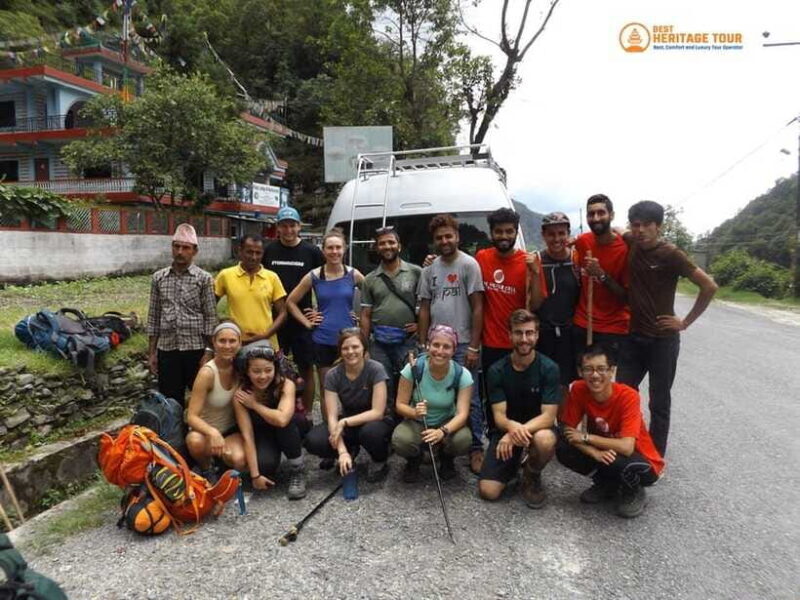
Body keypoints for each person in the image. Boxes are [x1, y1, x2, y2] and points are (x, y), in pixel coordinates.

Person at [616, 201, 718, 456]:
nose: (639, 230)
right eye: (635, 225)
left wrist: (684, 322)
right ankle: (624, 446)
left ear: (658, 227)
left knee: (659, 401)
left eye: (646, 225)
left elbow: (709, 286)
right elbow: (617, 230)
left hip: (663, 341)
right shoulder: (633, 242)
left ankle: (655, 455)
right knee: (622, 394)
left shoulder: (671, 254)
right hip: (634, 338)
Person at [557, 344, 665, 518]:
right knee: (562, 446)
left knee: (616, 459)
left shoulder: (628, 396)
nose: (595, 375)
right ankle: (607, 483)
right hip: (606, 451)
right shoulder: (578, 389)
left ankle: (633, 490)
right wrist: (593, 452)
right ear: (580, 371)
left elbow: (627, 447)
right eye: (588, 369)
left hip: (641, 460)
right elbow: (568, 430)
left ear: (612, 370)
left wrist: (585, 437)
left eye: (601, 369)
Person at [417, 214, 485, 475]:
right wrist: (423, 343)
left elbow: (478, 307)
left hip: (463, 343)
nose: (444, 241)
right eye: (439, 238)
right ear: (433, 241)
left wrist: (473, 346)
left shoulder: (469, 265)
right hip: (435, 346)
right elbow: (424, 307)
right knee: (432, 396)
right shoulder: (429, 270)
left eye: (449, 236)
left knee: (471, 399)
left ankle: (476, 447)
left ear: (457, 236)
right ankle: (434, 445)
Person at [478, 310, 559, 508]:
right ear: (510, 335)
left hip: (538, 430)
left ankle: (531, 473)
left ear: (537, 335)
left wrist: (515, 433)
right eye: (518, 333)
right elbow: (499, 417)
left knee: (545, 440)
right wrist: (511, 431)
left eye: (529, 333)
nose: (524, 339)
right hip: (506, 430)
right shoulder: (497, 370)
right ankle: (514, 463)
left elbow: (548, 417)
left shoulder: (549, 368)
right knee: (488, 491)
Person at [303, 329, 393, 482]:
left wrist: (343, 422)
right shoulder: (333, 374)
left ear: (364, 348)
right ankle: (349, 450)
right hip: (348, 419)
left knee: (371, 433)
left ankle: (379, 460)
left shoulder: (376, 369)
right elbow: (331, 416)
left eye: (355, 347)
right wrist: (341, 451)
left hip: (374, 421)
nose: (350, 352)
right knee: (313, 440)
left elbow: (377, 412)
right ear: (340, 351)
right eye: (345, 348)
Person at [286, 229, 365, 404]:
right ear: (323, 250)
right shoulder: (314, 275)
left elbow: (373, 296)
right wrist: (307, 322)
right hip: (323, 339)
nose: (334, 252)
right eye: (330, 248)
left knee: (352, 387)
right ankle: (329, 427)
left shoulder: (353, 274)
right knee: (326, 390)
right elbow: (290, 302)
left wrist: (360, 315)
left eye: (338, 247)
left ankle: (349, 425)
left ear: (344, 249)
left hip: (349, 339)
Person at [262, 206, 324, 415]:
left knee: (306, 368)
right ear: (277, 228)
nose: (288, 230)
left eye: (292, 225)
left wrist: (320, 310)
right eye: (284, 226)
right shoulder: (269, 251)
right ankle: (277, 411)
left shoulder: (312, 252)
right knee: (272, 368)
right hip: (275, 320)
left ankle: (305, 414)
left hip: (301, 319)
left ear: (299, 227)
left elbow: (324, 282)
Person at [146, 223, 217, 407]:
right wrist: (152, 352)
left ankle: (197, 435)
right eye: (176, 246)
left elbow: (210, 317)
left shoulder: (204, 279)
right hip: (168, 349)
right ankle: (174, 435)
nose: (180, 252)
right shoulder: (159, 278)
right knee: (170, 402)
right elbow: (154, 316)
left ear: (194, 251)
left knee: (201, 401)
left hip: (196, 349)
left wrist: (209, 352)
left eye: (185, 248)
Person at [392, 325, 472, 482]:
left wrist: (442, 431)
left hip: (446, 421)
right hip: (418, 422)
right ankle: (415, 459)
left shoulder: (462, 374)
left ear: (454, 350)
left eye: (446, 347)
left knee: (463, 439)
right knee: (401, 440)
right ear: (428, 346)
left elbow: (462, 414)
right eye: (436, 345)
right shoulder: (413, 368)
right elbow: (400, 405)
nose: (440, 351)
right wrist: (414, 412)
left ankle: (446, 458)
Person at [360, 226, 422, 412]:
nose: (387, 246)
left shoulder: (416, 272)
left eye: (391, 242)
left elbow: (426, 305)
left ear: (399, 246)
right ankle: (385, 423)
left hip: (408, 341)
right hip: (379, 342)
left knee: (411, 381)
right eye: (382, 243)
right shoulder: (370, 279)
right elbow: (365, 315)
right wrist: (364, 346)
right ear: (377, 248)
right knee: (382, 384)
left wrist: (421, 327)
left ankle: (409, 421)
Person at [232, 345, 307, 499]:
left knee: (283, 423)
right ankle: (271, 460)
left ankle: (297, 469)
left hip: (289, 427)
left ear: (275, 369)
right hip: (263, 433)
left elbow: (281, 419)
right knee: (264, 466)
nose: (262, 376)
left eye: (268, 370)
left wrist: (254, 405)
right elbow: (247, 436)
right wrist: (255, 475)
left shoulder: (286, 384)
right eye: (256, 371)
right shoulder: (240, 395)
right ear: (247, 371)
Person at [475, 208, 532, 396]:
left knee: (518, 397)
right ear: (491, 233)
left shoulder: (528, 262)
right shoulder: (482, 258)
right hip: (491, 344)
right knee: (493, 398)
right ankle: (494, 427)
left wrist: (537, 273)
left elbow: (537, 303)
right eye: (499, 231)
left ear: (516, 232)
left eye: (509, 231)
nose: (504, 236)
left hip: (519, 343)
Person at [185, 322, 247, 480]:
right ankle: (207, 469)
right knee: (194, 441)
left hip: (231, 430)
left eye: (232, 341)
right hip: (207, 432)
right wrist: (212, 432)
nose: (227, 346)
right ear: (214, 342)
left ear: (240, 343)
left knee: (239, 460)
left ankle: (222, 463)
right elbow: (191, 416)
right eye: (222, 341)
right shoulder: (207, 373)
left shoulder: (240, 368)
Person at [572, 194, 630, 361]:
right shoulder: (583, 241)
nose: (596, 218)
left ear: (611, 215)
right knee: (582, 379)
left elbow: (627, 298)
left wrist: (602, 275)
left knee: (606, 383)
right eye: (591, 214)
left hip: (614, 328)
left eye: (601, 213)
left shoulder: (625, 248)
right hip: (583, 323)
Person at [529, 212, 581, 385]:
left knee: (565, 384)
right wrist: (536, 273)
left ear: (568, 233)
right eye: (551, 234)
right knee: (543, 383)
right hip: (543, 334)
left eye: (561, 233)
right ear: (543, 235)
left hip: (570, 333)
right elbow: (534, 304)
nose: (556, 238)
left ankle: (565, 414)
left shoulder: (576, 260)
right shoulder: (536, 261)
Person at [214, 234, 287, 349]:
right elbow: (209, 307)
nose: (254, 257)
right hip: (236, 344)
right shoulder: (225, 275)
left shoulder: (272, 277)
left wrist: (266, 334)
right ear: (240, 251)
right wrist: (224, 325)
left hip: (267, 344)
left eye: (258, 253)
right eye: (249, 252)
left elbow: (283, 313)